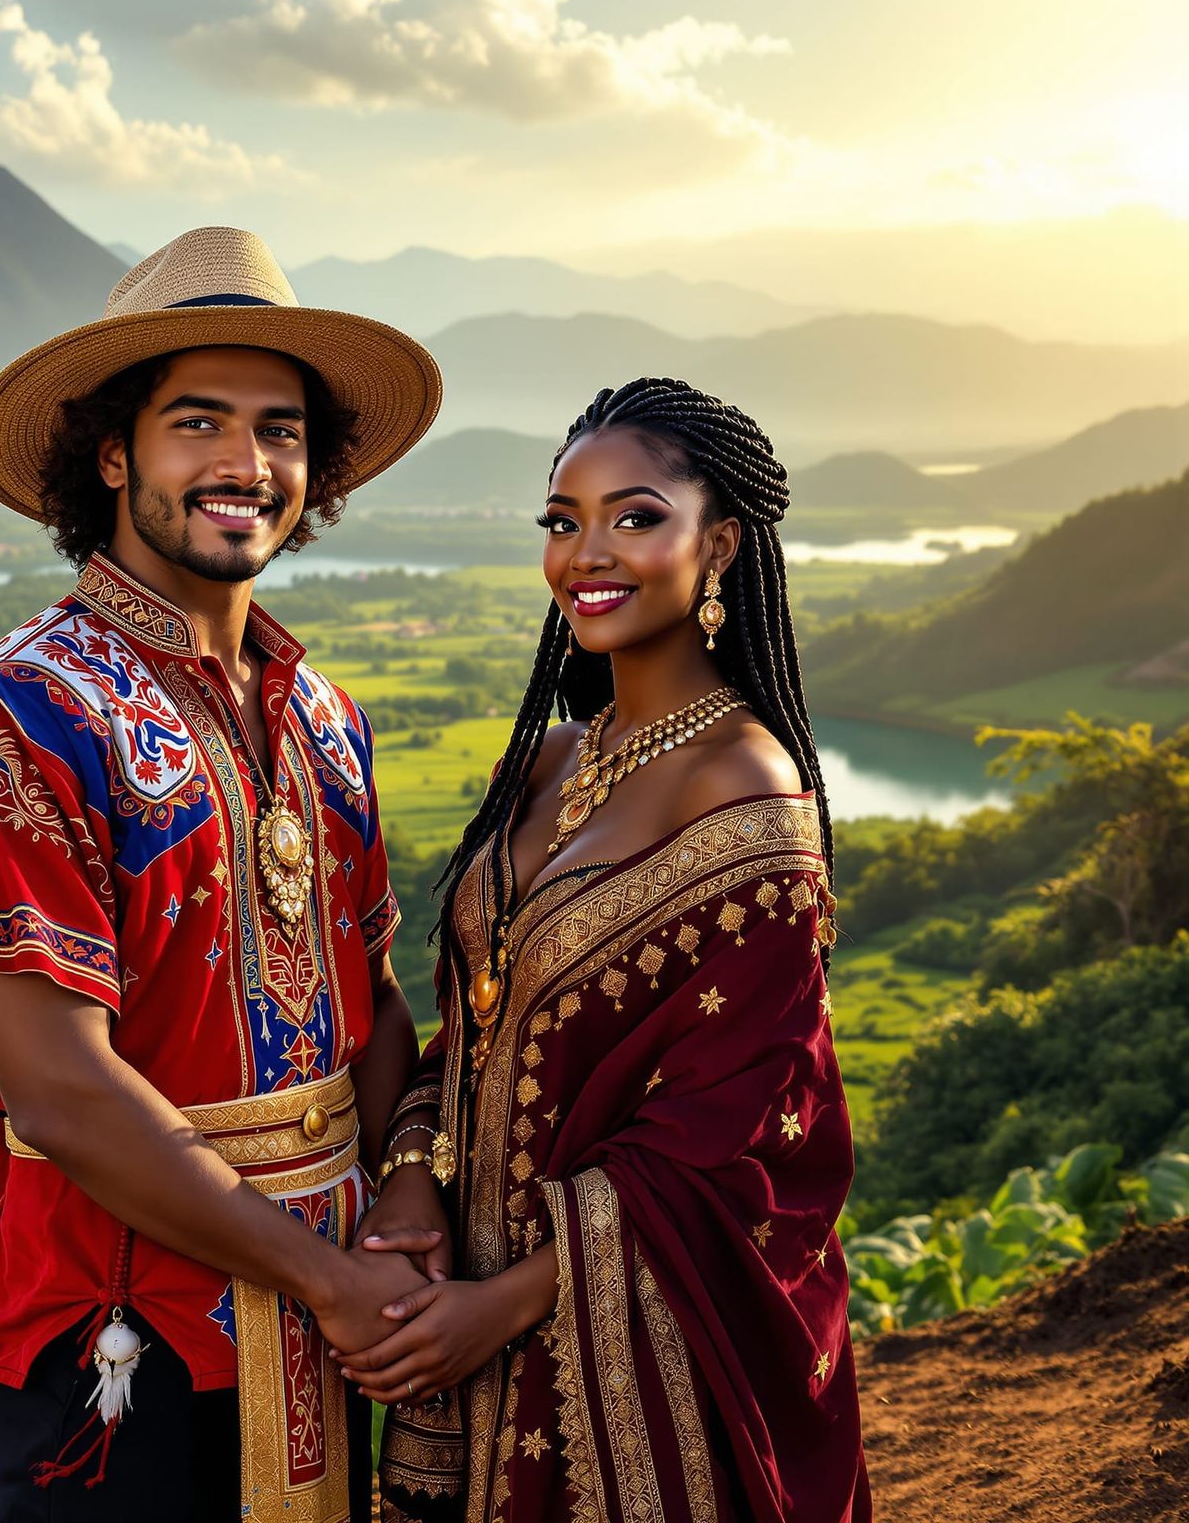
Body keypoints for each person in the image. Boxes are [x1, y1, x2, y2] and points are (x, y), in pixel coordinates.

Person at [0, 227, 445, 1522]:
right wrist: (323, 1273)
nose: (248, 463)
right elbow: (65, 1095)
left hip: (346, 1315)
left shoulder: (324, 717)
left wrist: (409, 1193)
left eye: (281, 430)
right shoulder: (16, 728)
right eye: (199, 422)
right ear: (114, 452)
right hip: (126, 1354)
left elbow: (374, 1005)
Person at [352, 379, 871, 1522]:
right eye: (561, 519)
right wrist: (409, 1183)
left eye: (633, 517)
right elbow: (474, 1028)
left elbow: (720, 1145)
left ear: (719, 542)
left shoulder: (746, 798)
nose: (586, 551)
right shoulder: (543, 760)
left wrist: (502, 1305)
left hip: (634, 1358)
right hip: (467, 1313)